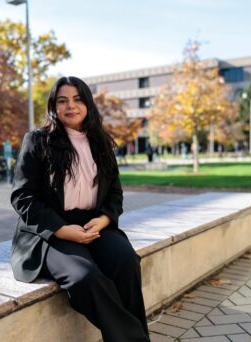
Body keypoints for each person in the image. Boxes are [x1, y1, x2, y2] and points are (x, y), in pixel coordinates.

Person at [10, 76, 150, 342]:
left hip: (93, 224)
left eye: (77, 99)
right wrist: (62, 230)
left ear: (87, 104)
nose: (70, 106)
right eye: (62, 101)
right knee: (84, 276)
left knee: (126, 261)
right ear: (54, 106)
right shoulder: (38, 140)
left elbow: (115, 193)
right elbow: (22, 197)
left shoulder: (101, 143)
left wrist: (105, 219)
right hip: (50, 231)